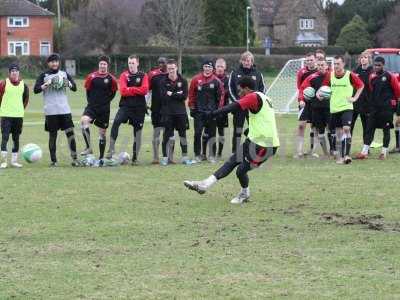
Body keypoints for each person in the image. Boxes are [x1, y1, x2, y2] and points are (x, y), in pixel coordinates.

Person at [184, 76, 279, 204]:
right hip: (254, 140)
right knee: (232, 161)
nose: (239, 93)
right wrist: (250, 131)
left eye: (240, 90)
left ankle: (244, 194)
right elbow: (264, 120)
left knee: (241, 170)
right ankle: (205, 184)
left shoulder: (252, 97)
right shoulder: (264, 97)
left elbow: (233, 107)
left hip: (265, 146)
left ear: (247, 88)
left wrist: (212, 114)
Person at [34, 53, 80, 167]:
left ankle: (75, 159)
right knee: (52, 135)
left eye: (56, 61)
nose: (54, 63)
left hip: (64, 110)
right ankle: (53, 161)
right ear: (48, 63)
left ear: (58, 63)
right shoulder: (43, 75)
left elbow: (74, 88)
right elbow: (35, 90)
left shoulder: (64, 74)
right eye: (52, 61)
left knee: (70, 134)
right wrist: (45, 85)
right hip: (51, 111)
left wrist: (67, 83)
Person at [106, 55, 149, 164]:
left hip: (139, 108)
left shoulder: (143, 75)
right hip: (125, 106)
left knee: (137, 133)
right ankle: (111, 149)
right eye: (129, 63)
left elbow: (144, 90)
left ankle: (135, 158)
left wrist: (131, 89)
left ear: (137, 63)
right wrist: (136, 89)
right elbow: (123, 91)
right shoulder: (124, 75)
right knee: (116, 122)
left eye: (133, 63)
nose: (131, 65)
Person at [355, 56, 400, 160]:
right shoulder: (372, 76)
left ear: (383, 65)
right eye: (375, 65)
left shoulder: (389, 76)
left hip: (386, 108)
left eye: (379, 65)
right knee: (369, 129)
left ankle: (383, 152)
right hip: (375, 108)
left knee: (386, 130)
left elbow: (397, 90)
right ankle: (364, 152)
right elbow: (371, 90)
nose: (376, 67)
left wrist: (394, 105)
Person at [324, 55, 364, 164]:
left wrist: (355, 98)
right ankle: (341, 156)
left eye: (338, 63)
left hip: (347, 107)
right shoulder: (329, 75)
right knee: (338, 133)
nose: (336, 66)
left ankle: (346, 156)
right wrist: (320, 94)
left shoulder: (350, 75)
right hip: (334, 108)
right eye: (334, 64)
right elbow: (324, 88)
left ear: (343, 64)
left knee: (346, 128)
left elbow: (361, 85)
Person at [80, 56, 118, 164]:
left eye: (104, 64)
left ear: (107, 66)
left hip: (104, 110)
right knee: (84, 120)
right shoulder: (91, 76)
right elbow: (87, 91)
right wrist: (92, 102)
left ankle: (101, 158)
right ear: (99, 65)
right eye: (101, 64)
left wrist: (105, 102)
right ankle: (88, 147)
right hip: (92, 107)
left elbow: (113, 93)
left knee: (102, 134)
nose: (102, 66)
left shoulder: (112, 79)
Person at [228, 51, 266, 153]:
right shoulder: (235, 73)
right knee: (237, 130)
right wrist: (237, 103)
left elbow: (263, 90)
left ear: (252, 62)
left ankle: (253, 149)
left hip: (253, 109)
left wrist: (258, 103)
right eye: (244, 60)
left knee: (254, 129)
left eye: (248, 60)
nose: (246, 62)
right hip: (239, 107)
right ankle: (235, 152)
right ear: (241, 61)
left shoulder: (258, 74)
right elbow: (230, 89)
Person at [188, 59, 225, 163]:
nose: (207, 69)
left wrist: (218, 110)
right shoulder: (196, 79)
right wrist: (191, 106)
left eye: (209, 67)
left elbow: (221, 96)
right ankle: (197, 155)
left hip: (211, 113)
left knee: (212, 134)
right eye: (205, 66)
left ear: (212, 69)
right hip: (199, 112)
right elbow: (191, 94)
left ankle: (212, 155)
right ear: (203, 67)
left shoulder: (216, 81)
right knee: (198, 133)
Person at [159, 59, 190, 165]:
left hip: (180, 113)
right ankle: (165, 157)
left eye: (173, 68)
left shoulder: (184, 81)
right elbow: (163, 97)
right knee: (166, 136)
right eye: (169, 69)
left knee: (183, 135)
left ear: (176, 68)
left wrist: (171, 94)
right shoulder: (163, 81)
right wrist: (177, 94)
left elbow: (184, 96)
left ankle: (185, 157)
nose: (171, 70)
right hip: (168, 113)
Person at [299, 59, 331, 157]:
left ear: (326, 66)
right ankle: (326, 153)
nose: (321, 67)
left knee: (331, 129)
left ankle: (333, 150)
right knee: (319, 131)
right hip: (316, 108)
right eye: (319, 65)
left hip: (330, 108)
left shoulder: (332, 76)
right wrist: (302, 99)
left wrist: (330, 95)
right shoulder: (311, 77)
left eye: (323, 65)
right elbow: (303, 88)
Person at [0, 64, 29, 168]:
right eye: (12, 71)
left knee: (16, 138)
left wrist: (20, 109)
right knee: (5, 137)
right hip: (6, 115)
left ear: (19, 72)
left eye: (16, 71)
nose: (14, 72)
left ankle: (14, 161)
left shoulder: (23, 85)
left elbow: (25, 100)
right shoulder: (3, 83)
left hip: (18, 116)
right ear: (9, 73)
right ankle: (3, 162)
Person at [294, 52, 318, 158]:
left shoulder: (319, 71)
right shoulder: (301, 72)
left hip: (316, 103)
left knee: (314, 127)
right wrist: (301, 100)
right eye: (307, 60)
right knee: (301, 125)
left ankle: (312, 151)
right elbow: (299, 88)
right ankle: (299, 151)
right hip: (304, 102)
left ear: (315, 60)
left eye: (311, 60)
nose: (309, 62)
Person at [148, 57, 168, 164]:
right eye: (159, 62)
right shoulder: (152, 74)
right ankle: (155, 157)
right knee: (156, 132)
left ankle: (167, 156)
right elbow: (148, 90)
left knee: (167, 133)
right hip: (156, 108)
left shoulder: (171, 73)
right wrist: (145, 104)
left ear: (167, 63)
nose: (161, 64)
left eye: (163, 63)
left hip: (168, 109)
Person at [350, 51, 373, 144]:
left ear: (369, 59)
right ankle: (347, 147)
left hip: (367, 103)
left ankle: (366, 148)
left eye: (365, 57)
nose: (363, 59)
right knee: (349, 125)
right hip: (355, 102)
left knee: (366, 127)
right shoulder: (356, 71)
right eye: (362, 57)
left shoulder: (372, 72)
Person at [214, 58, 230, 159]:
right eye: (218, 66)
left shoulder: (228, 79)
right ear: (215, 67)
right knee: (210, 131)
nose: (220, 68)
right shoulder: (211, 77)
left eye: (222, 67)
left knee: (221, 132)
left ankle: (219, 153)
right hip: (211, 109)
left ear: (225, 68)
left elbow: (230, 92)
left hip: (223, 110)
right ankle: (209, 152)